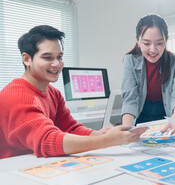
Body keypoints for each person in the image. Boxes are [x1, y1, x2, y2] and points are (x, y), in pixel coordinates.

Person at [0, 25, 148, 159]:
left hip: (37, 166)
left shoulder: (53, 93)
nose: (57, 64)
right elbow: (47, 139)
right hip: (14, 173)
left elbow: (70, 127)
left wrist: (98, 134)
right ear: (27, 59)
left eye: (59, 57)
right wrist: (107, 140)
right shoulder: (16, 96)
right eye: (47, 57)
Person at [121, 14, 175, 134]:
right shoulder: (130, 60)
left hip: (167, 117)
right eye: (146, 43)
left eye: (159, 43)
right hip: (140, 116)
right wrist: (126, 130)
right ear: (138, 40)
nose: (153, 49)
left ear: (166, 40)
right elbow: (130, 100)